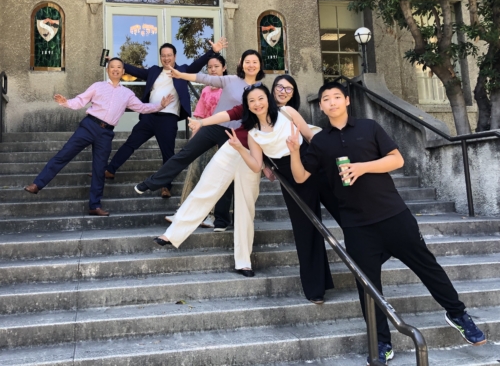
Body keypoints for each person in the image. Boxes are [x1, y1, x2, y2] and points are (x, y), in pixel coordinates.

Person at [287, 81, 487, 365]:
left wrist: (362, 167)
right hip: (356, 225)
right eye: (325, 99)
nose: (331, 102)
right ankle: (381, 341)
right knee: (368, 286)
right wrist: (295, 150)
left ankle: (457, 313)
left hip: (393, 214)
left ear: (346, 101)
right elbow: (300, 177)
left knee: (427, 265)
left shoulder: (369, 128)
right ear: (320, 106)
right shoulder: (320, 142)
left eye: (336, 97)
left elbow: (397, 160)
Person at [189, 75, 340, 303]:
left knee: (343, 210)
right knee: (305, 230)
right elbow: (257, 165)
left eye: (261, 98)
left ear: (268, 99)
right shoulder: (253, 133)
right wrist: (240, 149)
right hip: (291, 179)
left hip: (313, 166)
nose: (257, 103)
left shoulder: (288, 113)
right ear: (248, 106)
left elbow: (311, 138)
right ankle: (316, 287)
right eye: (252, 101)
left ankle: (374, 251)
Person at [134, 49, 266, 233]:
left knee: (226, 175)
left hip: (236, 135)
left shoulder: (261, 90)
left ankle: (221, 220)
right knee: (186, 153)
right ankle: (152, 182)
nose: (251, 65)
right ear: (241, 63)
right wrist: (180, 75)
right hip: (215, 126)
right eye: (247, 61)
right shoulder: (230, 80)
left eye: (255, 62)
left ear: (259, 65)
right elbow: (203, 78)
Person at [23, 58, 170, 216]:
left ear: (123, 71)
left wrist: (160, 106)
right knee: (63, 155)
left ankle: (94, 205)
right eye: (112, 67)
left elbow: (141, 107)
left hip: (106, 133)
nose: (115, 69)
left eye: (119, 67)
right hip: (89, 126)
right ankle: (37, 184)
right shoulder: (97, 86)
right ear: (108, 70)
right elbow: (81, 100)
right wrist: (66, 102)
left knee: (100, 169)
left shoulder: (127, 94)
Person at [104, 37, 228, 199]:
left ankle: (166, 186)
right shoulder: (154, 71)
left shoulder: (182, 71)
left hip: (168, 119)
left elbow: (197, 64)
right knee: (130, 143)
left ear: (175, 57)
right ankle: (110, 170)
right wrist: (115, 62)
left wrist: (213, 52)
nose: (166, 58)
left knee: (167, 153)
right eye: (163, 55)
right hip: (149, 117)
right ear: (160, 57)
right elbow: (135, 71)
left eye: (169, 55)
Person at [167, 54, 231, 229]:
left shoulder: (230, 87)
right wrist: (193, 141)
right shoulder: (205, 90)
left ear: (224, 68)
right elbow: (200, 116)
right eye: (210, 67)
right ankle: (183, 212)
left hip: (226, 138)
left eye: (216, 66)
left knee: (217, 177)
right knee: (195, 170)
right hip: (206, 136)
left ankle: (212, 215)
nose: (212, 69)